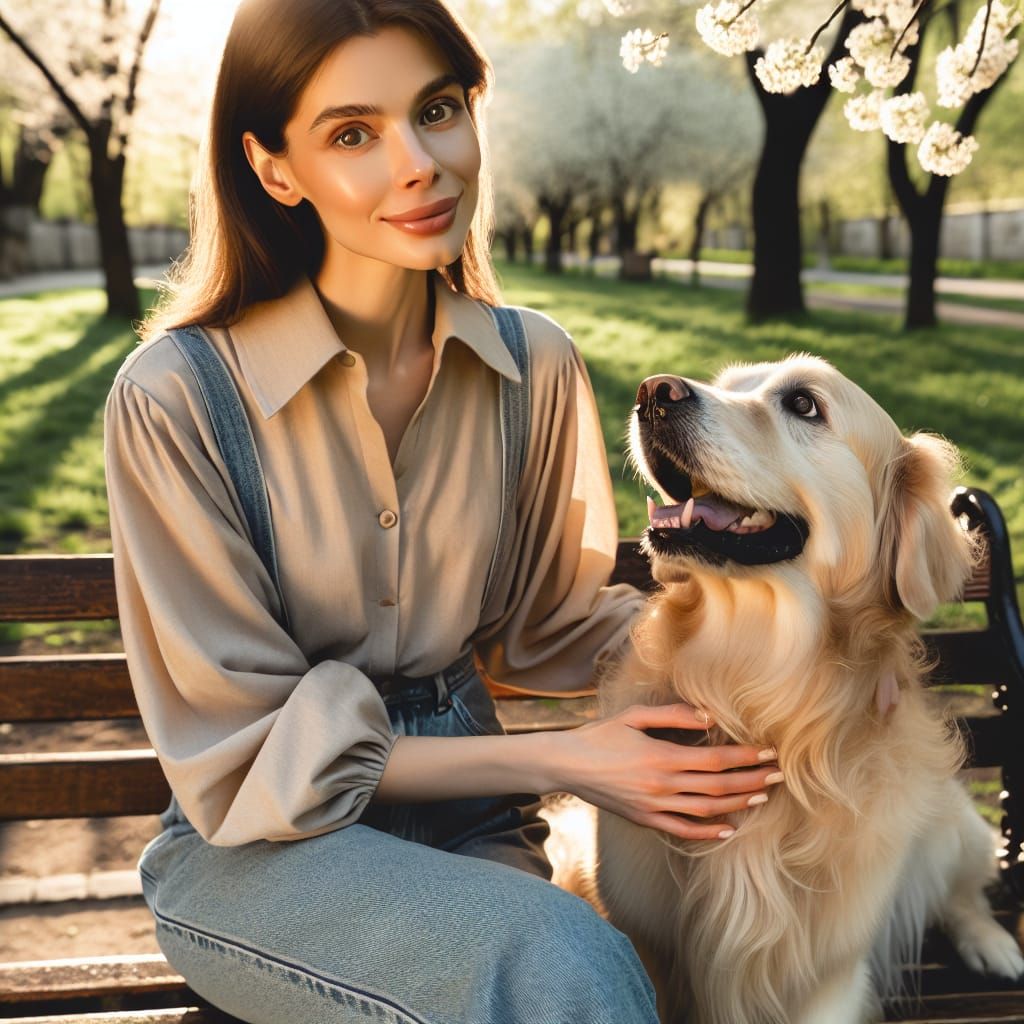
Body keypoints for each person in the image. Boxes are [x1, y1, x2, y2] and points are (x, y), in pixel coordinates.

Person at [103, 1, 783, 1021]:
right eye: (352, 134)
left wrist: (807, 650)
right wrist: (561, 757)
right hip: (260, 852)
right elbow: (243, 744)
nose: (419, 164)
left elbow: (555, 624)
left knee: (571, 974)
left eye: (435, 110)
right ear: (275, 168)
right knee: (558, 960)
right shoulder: (174, 399)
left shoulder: (530, 365)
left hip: (473, 831)